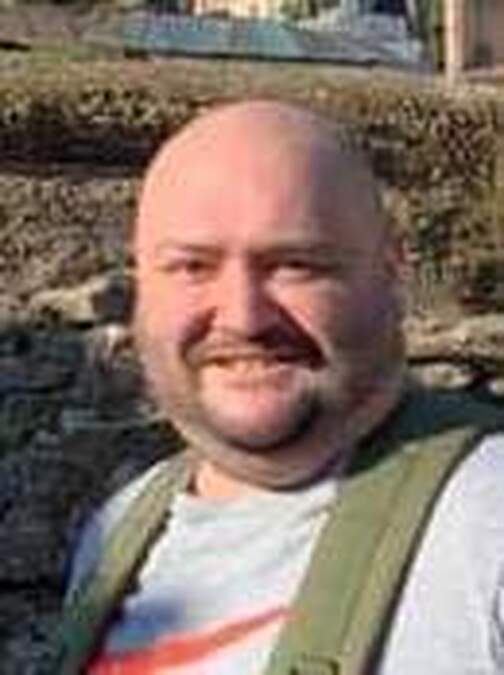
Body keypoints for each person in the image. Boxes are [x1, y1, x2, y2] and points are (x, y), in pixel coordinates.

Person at [66, 100, 504, 674]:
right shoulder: (116, 534)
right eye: (193, 267)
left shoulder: (485, 527)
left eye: (295, 264)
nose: (243, 318)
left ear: (391, 277)